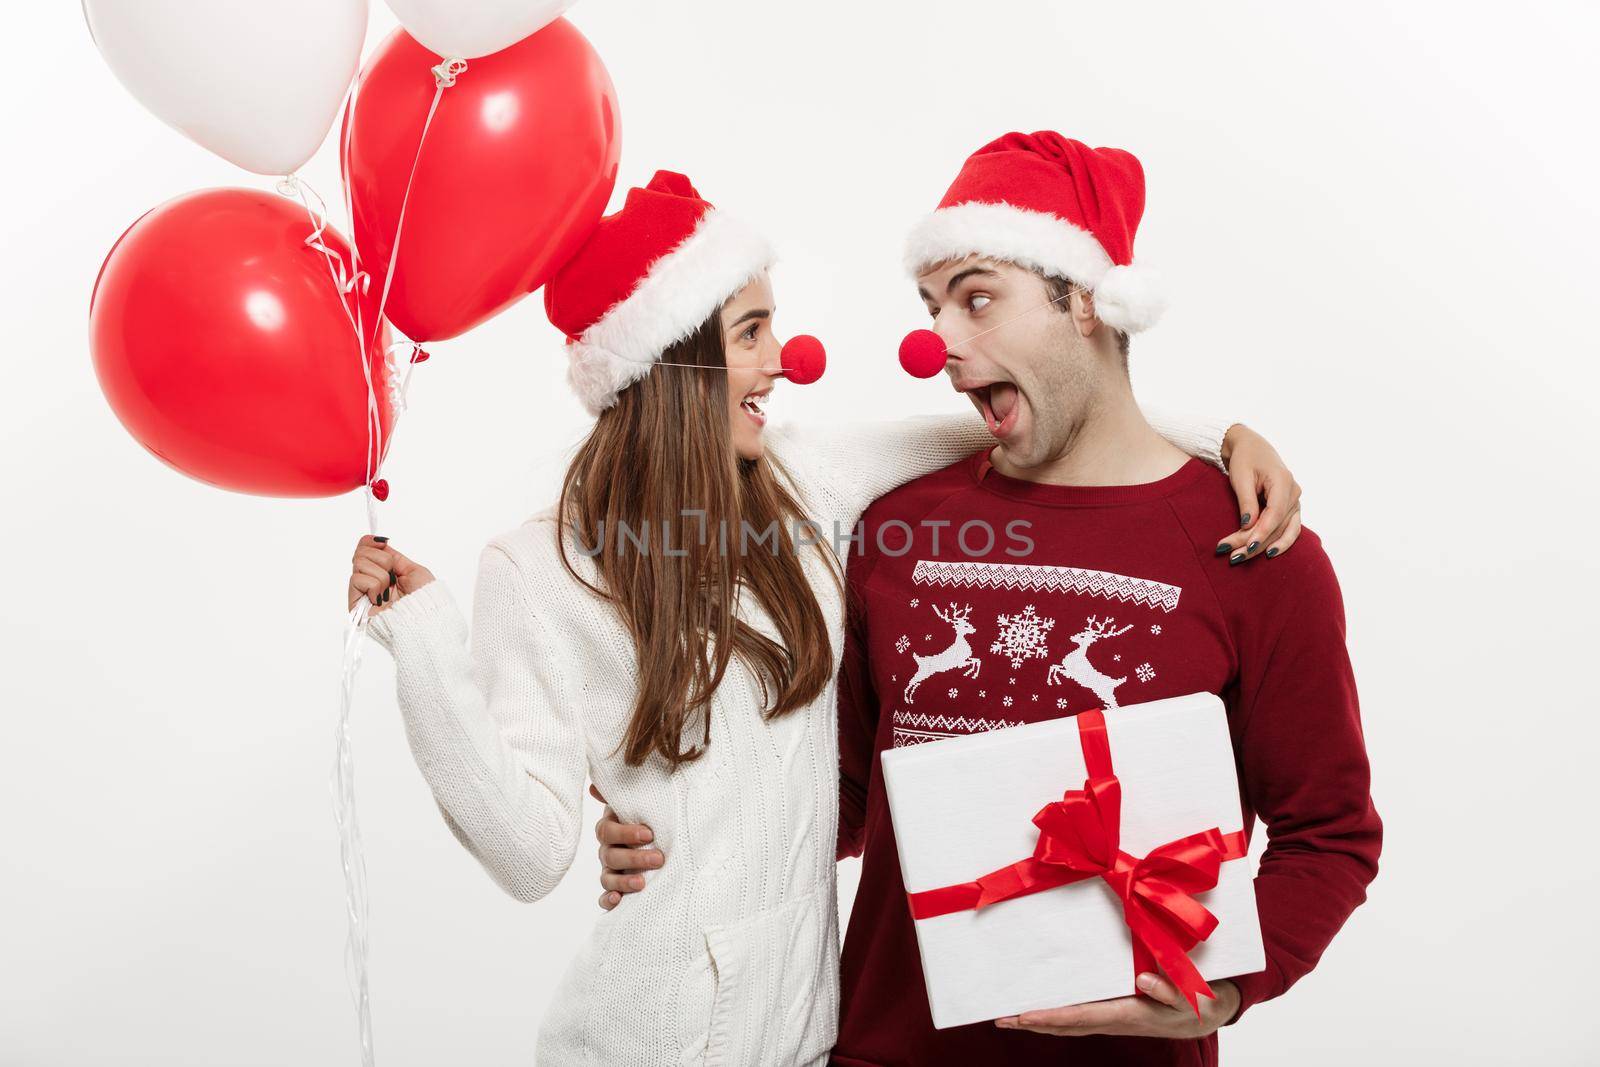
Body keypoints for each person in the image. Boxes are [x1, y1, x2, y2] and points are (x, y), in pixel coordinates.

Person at [347, 169, 1299, 1066]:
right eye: (752, 331)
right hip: (646, 1039)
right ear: (674, 359)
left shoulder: (808, 484)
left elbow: (1030, 413)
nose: (783, 362)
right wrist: (424, 642)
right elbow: (526, 854)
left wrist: (1222, 439)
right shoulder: (540, 569)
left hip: (809, 1037)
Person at [596, 135, 1376, 1067]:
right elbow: (833, 792)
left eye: (976, 299)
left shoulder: (1253, 547)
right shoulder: (896, 524)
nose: (941, 346)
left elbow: (1329, 833)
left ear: (1085, 299)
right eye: (933, 309)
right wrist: (678, 836)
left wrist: (1228, 987)